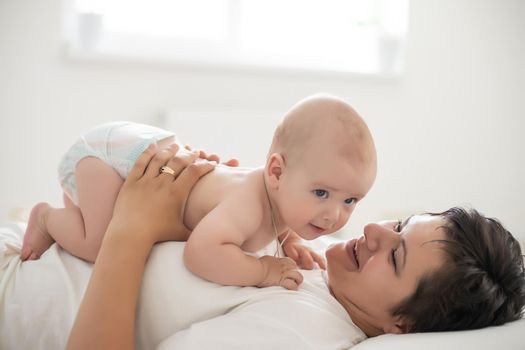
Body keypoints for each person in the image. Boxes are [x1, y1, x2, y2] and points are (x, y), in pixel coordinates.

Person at [67, 144, 525, 349]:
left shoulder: (296, 335)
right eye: (401, 224)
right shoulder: (335, 272)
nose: (374, 233)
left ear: (401, 326)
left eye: (396, 254)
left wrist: (130, 228)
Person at [21, 94, 377, 290]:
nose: (334, 215)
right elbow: (201, 252)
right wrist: (262, 271)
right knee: (98, 243)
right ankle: (47, 218)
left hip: (146, 161)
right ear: (276, 172)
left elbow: (281, 219)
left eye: (350, 200)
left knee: (105, 215)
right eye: (320, 193)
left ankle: (73, 214)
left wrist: (291, 242)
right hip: (114, 158)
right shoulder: (247, 207)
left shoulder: (281, 201)